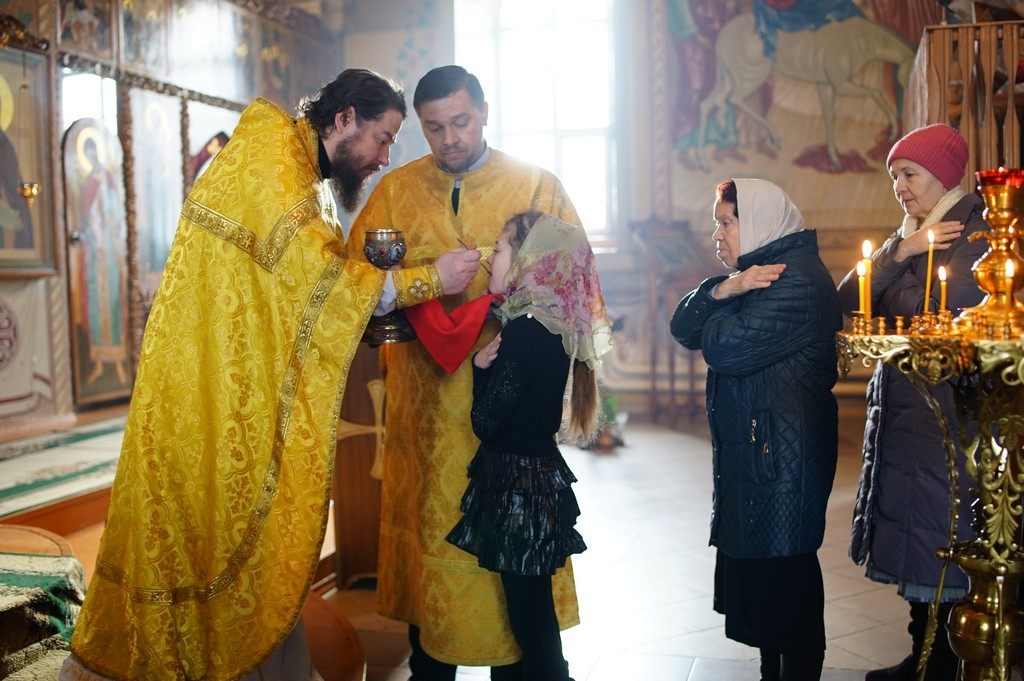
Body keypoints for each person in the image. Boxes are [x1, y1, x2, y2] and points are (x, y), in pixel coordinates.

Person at [59, 68, 482, 681]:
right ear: (344, 120)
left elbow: (295, 291)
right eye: (383, 138)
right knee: (221, 535)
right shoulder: (276, 171)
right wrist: (431, 279)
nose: (384, 157)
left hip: (230, 380)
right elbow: (322, 286)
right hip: (214, 392)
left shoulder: (294, 165)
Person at [347, 65, 582, 678]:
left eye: (461, 122)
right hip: (424, 407)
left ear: (484, 113)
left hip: (509, 411)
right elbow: (351, 286)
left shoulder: (535, 186)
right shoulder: (395, 190)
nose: (449, 138)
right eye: (434, 128)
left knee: (513, 577)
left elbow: (574, 285)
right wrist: (416, 287)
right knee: (434, 555)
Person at [670, 178, 842, 681]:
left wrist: (723, 305)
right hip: (762, 450)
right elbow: (683, 329)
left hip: (786, 458)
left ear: (762, 222)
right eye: (717, 223)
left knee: (788, 578)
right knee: (767, 583)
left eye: (726, 222)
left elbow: (723, 347)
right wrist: (722, 289)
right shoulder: (753, 275)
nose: (717, 234)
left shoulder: (796, 280)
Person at [838, 123, 988, 681]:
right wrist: (903, 249)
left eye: (910, 174)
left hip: (948, 412)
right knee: (914, 533)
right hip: (906, 408)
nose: (899, 186)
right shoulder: (911, 234)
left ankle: (945, 662)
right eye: (894, 176)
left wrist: (893, 285)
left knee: (942, 534)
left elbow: (952, 308)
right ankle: (921, 655)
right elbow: (848, 298)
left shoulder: (976, 231)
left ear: (942, 176)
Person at [445, 212, 613, 681]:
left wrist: (478, 370)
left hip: (516, 489)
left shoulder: (526, 330)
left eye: (499, 249)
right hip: (535, 479)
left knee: (531, 622)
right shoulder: (550, 324)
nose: (489, 259)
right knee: (534, 614)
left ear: (528, 259)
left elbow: (485, 422)